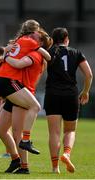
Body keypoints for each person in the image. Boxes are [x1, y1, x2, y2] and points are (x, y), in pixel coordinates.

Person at [0, 19, 51, 155]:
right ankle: (25, 146)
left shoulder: (16, 42)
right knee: (20, 128)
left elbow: (2, 54)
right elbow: (21, 64)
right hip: (15, 84)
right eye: (38, 31)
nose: (38, 33)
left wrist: (5, 55)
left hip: (1, 79)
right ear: (34, 32)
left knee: (3, 127)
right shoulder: (34, 50)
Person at [44, 27, 93, 174]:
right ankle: (66, 153)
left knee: (54, 133)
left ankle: (54, 168)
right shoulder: (76, 53)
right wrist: (85, 92)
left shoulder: (49, 53)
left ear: (53, 40)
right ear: (67, 39)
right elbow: (89, 75)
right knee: (70, 130)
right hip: (71, 95)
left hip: (52, 94)